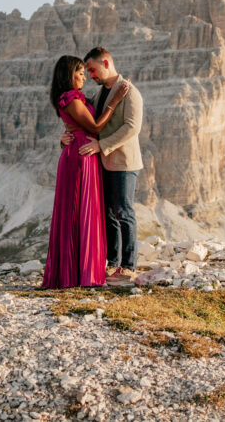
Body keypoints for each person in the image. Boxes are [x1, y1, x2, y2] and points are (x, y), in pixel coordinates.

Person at [42, 55, 129, 289]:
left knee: (85, 210)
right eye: (80, 73)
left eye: (85, 72)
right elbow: (95, 126)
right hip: (80, 157)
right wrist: (116, 101)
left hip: (85, 153)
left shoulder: (76, 97)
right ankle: (78, 274)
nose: (84, 77)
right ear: (69, 74)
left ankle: (82, 270)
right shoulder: (70, 98)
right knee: (79, 210)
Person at [62, 47, 143, 287]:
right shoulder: (99, 94)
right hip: (102, 163)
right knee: (109, 214)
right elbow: (83, 119)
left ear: (106, 63)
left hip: (123, 163)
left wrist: (101, 145)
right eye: (87, 71)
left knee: (124, 212)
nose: (90, 75)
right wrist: (65, 136)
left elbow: (131, 128)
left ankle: (128, 267)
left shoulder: (130, 92)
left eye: (93, 70)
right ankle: (112, 262)